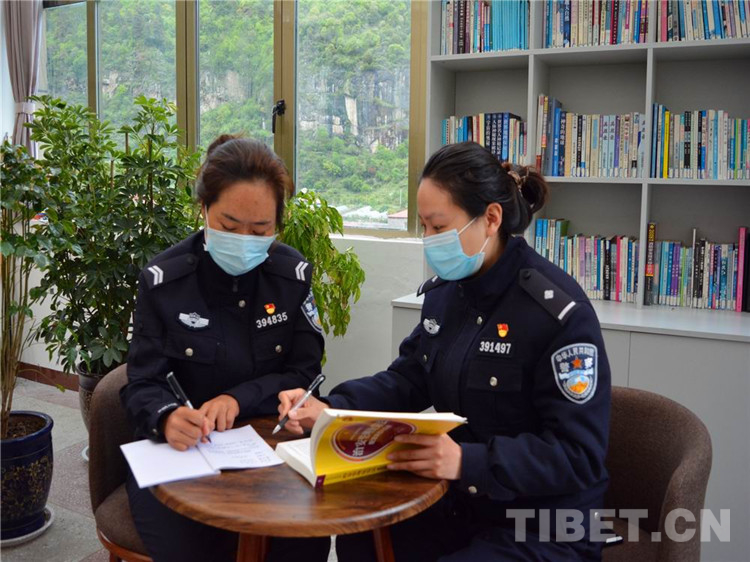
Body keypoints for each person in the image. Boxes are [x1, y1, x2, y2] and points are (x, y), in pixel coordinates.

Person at [278, 141, 611, 561]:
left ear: (491, 218)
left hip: (542, 521)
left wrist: (465, 461)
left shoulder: (556, 312)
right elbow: (408, 379)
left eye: (439, 227)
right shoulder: (446, 294)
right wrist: (330, 409)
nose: (429, 241)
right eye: (424, 226)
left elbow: (579, 456)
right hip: (465, 502)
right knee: (360, 536)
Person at [122, 135, 330, 562]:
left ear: (278, 224)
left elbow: (305, 374)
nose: (244, 240)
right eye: (230, 227)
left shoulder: (291, 277)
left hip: (269, 445)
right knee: (192, 548)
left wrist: (238, 398)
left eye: (260, 230)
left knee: (303, 541)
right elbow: (142, 382)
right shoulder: (164, 281)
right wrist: (166, 416)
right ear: (203, 209)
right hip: (180, 452)